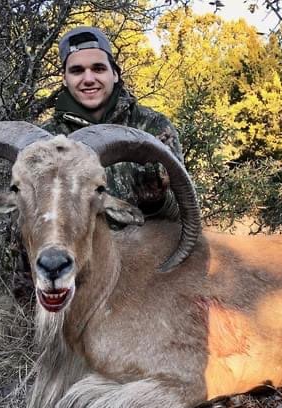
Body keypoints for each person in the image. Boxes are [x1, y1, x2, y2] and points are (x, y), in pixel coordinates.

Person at [13, 26, 185, 298]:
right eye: (77, 71)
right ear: (65, 78)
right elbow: (32, 217)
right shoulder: (47, 141)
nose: (89, 78)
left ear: (114, 73)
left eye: (98, 68)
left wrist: (158, 198)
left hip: (146, 269)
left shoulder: (153, 127)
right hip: (72, 269)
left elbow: (183, 216)